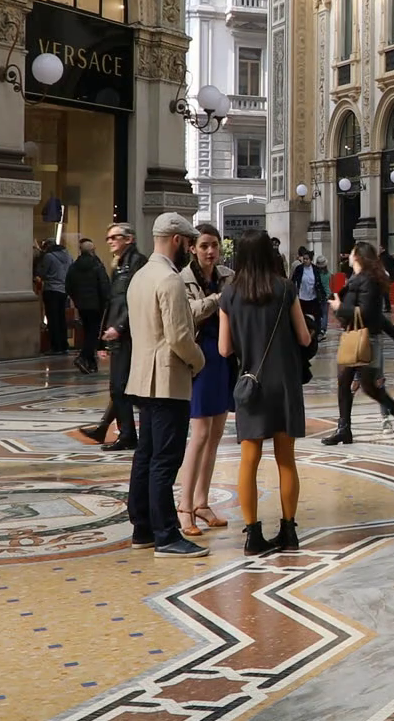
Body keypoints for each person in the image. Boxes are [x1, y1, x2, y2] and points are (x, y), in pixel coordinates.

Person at [218, 230, 312, 555]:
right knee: (286, 460)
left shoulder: (229, 295)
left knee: (249, 460)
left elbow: (223, 348)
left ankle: (253, 535)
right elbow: (304, 338)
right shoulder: (285, 288)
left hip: (251, 384)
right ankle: (289, 531)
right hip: (284, 382)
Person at [124, 213, 207, 557]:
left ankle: (142, 526)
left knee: (145, 455)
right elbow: (179, 337)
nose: (189, 248)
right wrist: (198, 361)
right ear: (176, 240)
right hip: (168, 381)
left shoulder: (139, 277)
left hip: (142, 377)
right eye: (188, 242)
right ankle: (167, 535)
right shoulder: (169, 281)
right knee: (165, 459)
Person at [323, 242, 394, 444]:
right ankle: (344, 428)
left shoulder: (369, 281)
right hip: (352, 337)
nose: (350, 255)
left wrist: (339, 307)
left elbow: (369, 313)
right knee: (344, 382)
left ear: (359, 256)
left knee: (369, 386)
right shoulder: (355, 279)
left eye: (353, 252)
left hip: (367, 339)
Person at [176, 224, 233, 539]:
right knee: (199, 434)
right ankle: (184, 505)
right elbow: (189, 312)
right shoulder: (183, 279)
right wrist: (218, 300)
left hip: (223, 355)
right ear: (193, 248)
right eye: (204, 246)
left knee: (216, 433)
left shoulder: (227, 275)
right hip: (200, 358)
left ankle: (201, 501)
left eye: (214, 246)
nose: (210, 252)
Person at [84, 223, 146, 449]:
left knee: (120, 386)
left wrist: (119, 326)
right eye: (108, 237)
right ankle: (112, 430)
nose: (109, 241)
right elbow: (112, 302)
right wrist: (104, 338)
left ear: (128, 239)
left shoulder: (137, 262)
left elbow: (134, 298)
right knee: (118, 386)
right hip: (117, 333)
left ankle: (127, 434)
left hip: (130, 334)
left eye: (114, 237)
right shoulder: (117, 265)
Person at [67, 239, 112, 375]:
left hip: (82, 305)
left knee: (88, 331)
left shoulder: (74, 266)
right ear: (92, 251)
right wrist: (107, 301)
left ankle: (91, 363)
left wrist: (76, 300)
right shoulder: (97, 265)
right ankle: (83, 357)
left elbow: (68, 285)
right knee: (94, 333)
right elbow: (104, 285)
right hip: (96, 305)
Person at [38, 239, 74, 354]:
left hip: (51, 289)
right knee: (61, 318)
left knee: (53, 319)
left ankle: (56, 346)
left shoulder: (48, 257)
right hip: (64, 290)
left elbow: (42, 272)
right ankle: (64, 345)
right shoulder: (68, 255)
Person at [290, 249, 330, 343]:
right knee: (302, 315)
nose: (305, 261)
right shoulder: (299, 269)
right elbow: (293, 280)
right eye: (304, 259)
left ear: (310, 260)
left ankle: (316, 333)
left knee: (317, 315)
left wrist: (323, 294)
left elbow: (319, 282)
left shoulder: (315, 269)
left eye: (307, 259)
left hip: (313, 296)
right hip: (302, 296)